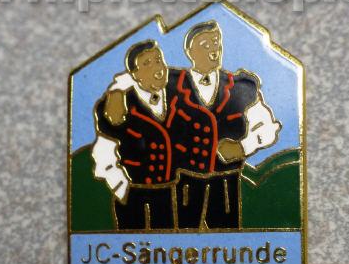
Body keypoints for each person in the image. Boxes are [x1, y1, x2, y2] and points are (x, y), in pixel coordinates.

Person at [166, 21, 281, 229]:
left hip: (226, 182)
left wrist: (243, 147)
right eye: (205, 45)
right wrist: (119, 93)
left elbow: (269, 128)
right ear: (190, 51)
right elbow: (134, 80)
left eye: (216, 43)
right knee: (182, 237)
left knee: (228, 236)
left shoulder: (241, 87)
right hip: (185, 181)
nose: (213, 50)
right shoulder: (170, 83)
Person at [91, 40, 177, 230]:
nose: (157, 67)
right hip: (133, 193)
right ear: (135, 75)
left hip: (167, 192)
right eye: (147, 64)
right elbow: (103, 150)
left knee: (166, 243)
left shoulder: (177, 95)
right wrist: (122, 188)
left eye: (158, 60)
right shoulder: (120, 105)